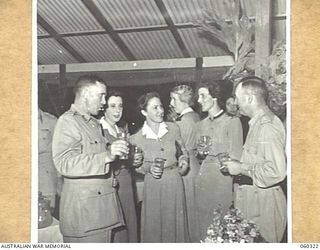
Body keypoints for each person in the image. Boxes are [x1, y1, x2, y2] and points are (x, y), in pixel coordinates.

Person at [52, 75, 129, 243]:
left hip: (99, 211)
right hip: (85, 216)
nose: (104, 101)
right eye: (101, 95)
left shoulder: (92, 124)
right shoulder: (68, 121)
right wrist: (107, 155)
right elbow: (64, 163)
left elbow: (96, 160)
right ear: (85, 93)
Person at [224, 76, 287, 243]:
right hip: (256, 203)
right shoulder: (256, 124)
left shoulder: (267, 126)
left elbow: (276, 171)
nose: (235, 103)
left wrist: (241, 169)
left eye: (237, 98)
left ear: (250, 98)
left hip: (265, 207)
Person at [129, 92, 190, 243]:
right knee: (154, 226)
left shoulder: (173, 128)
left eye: (161, 106)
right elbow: (136, 166)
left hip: (174, 182)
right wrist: (147, 168)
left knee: (175, 225)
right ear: (144, 112)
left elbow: (182, 151)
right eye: (154, 107)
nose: (160, 111)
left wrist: (184, 161)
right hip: (153, 185)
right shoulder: (136, 138)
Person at [194, 81, 243, 241]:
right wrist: (201, 153)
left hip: (222, 180)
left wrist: (225, 160)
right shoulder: (201, 125)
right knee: (203, 224)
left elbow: (237, 157)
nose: (199, 100)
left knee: (221, 224)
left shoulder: (232, 122)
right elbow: (199, 155)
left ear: (214, 97)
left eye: (203, 96)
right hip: (203, 179)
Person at [99, 91, 138, 242]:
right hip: (111, 183)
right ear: (104, 108)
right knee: (116, 228)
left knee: (129, 224)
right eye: (113, 106)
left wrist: (134, 159)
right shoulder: (99, 130)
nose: (117, 110)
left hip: (126, 183)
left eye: (120, 106)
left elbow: (126, 159)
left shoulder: (122, 130)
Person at [169, 84, 200, 242]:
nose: (171, 104)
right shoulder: (195, 117)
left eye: (174, 99)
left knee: (187, 212)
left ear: (184, 101)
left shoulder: (182, 122)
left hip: (185, 168)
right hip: (195, 165)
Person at [38, 108, 62, 210]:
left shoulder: (51, 121)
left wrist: (59, 181)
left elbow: (59, 153)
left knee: (45, 218)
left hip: (46, 183)